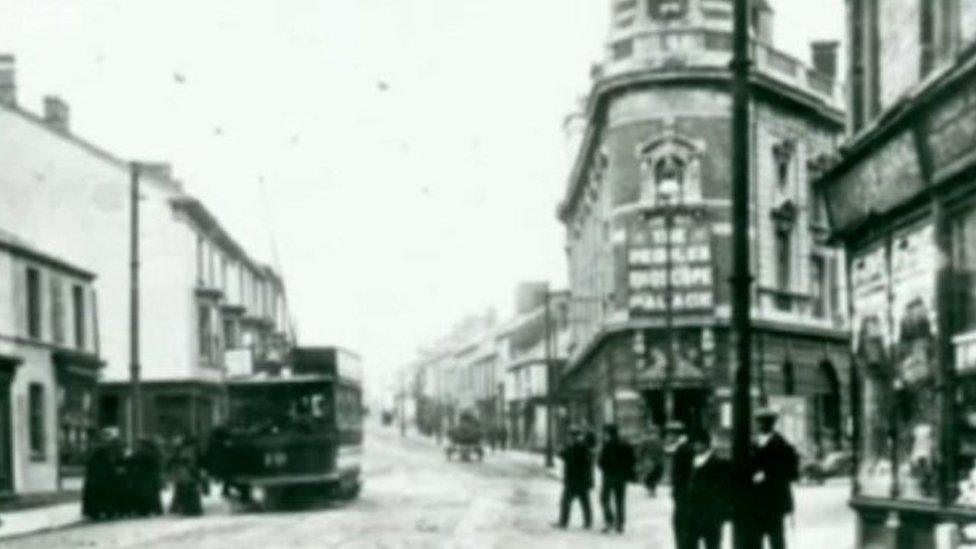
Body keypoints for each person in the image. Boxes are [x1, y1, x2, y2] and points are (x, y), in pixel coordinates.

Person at [749, 408, 800, 549]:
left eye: (766, 422)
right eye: (760, 422)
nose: (761, 425)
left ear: (772, 424)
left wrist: (768, 475)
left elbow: (792, 473)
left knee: (776, 538)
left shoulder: (783, 445)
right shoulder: (753, 443)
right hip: (755, 500)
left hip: (774, 501)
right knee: (755, 537)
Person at [685, 431, 731, 549]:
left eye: (697, 443)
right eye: (694, 444)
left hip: (711, 515)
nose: (695, 446)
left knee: (712, 545)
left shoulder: (718, 462)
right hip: (694, 514)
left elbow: (723, 490)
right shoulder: (693, 461)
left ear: (706, 444)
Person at [597, 423, 636, 534]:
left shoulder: (607, 445)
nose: (604, 435)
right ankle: (620, 524)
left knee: (604, 499)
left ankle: (609, 520)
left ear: (609, 433)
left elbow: (601, 462)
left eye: (605, 433)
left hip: (609, 476)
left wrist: (604, 468)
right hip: (621, 477)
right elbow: (632, 460)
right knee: (620, 500)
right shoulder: (625, 444)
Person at [553, 427, 594, 529]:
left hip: (574, 480)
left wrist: (561, 452)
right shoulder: (582, 447)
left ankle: (563, 522)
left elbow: (567, 457)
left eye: (570, 436)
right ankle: (587, 522)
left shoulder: (576, 447)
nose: (569, 438)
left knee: (566, 501)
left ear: (573, 436)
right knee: (584, 502)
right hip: (581, 480)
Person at [82, 428, 125, 521]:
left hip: (106, 476)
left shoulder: (111, 447)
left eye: (107, 435)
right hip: (99, 476)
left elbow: (116, 460)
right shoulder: (100, 448)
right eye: (104, 435)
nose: (105, 438)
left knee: (106, 494)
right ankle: (99, 511)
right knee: (101, 494)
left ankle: (106, 511)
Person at [667, 421, 694, 549]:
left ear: (677, 434)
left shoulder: (684, 449)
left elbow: (685, 473)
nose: (668, 437)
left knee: (682, 525)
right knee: (680, 524)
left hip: (684, 493)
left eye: (670, 434)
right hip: (682, 493)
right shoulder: (682, 447)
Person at [126, 438, 164, 516]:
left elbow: (134, 461)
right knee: (152, 493)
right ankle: (153, 509)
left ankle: (146, 509)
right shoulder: (151, 453)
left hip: (147, 477)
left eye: (140, 445)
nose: (138, 447)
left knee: (147, 493)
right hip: (147, 477)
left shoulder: (145, 453)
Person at [168, 437, 204, 516]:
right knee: (189, 490)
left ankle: (187, 508)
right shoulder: (191, 450)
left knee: (185, 490)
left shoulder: (184, 450)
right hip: (187, 472)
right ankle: (192, 509)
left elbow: (175, 460)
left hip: (184, 472)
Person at [639, 426, 665, 497]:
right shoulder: (659, 440)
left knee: (649, 476)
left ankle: (651, 489)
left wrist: (641, 460)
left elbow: (641, 451)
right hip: (657, 461)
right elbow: (662, 451)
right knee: (655, 476)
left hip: (649, 461)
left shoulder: (646, 441)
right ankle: (652, 489)